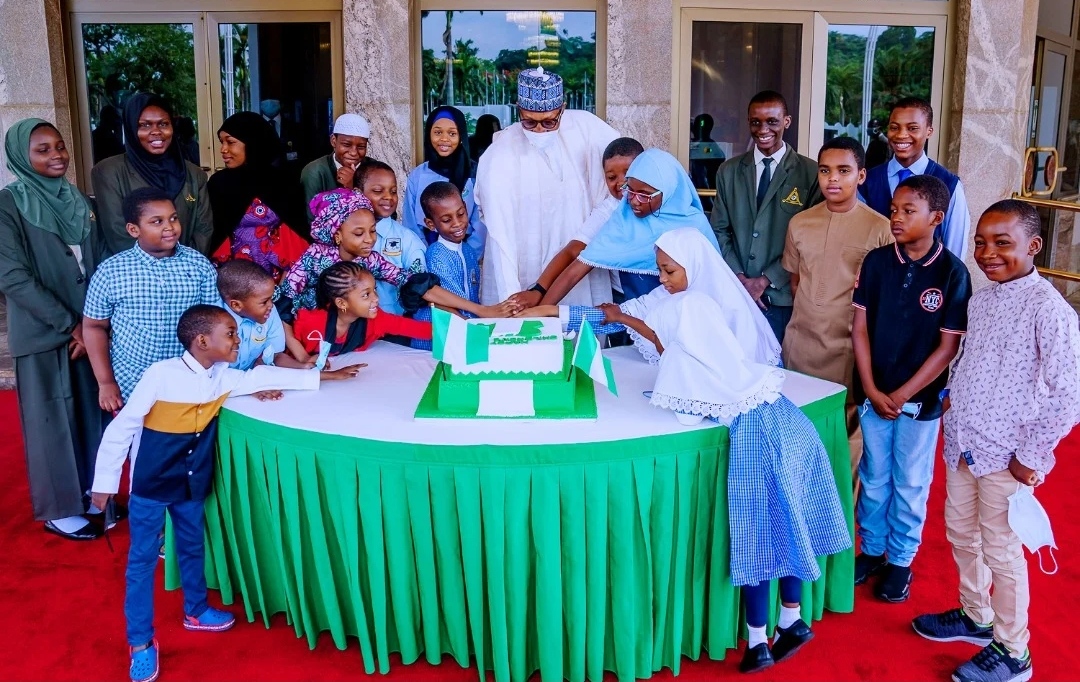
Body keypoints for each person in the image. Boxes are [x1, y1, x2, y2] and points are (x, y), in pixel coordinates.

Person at [89, 304, 360, 682]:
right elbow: (123, 428)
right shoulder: (160, 376)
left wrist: (326, 377)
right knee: (142, 563)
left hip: (192, 482)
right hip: (152, 485)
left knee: (192, 546)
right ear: (202, 341)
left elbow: (264, 376)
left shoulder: (222, 376)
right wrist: (104, 484)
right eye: (231, 334)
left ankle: (196, 610)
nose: (239, 340)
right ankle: (140, 643)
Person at [912, 200, 1080, 682]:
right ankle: (975, 617)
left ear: (1034, 246)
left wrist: (1030, 456)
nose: (988, 253)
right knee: (962, 535)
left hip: (1007, 457)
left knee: (1002, 553)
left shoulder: (1050, 309)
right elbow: (969, 361)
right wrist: (950, 401)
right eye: (981, 243)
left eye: (1003, 243)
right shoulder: (982, 299)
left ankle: (1013, 652)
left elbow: (1068, 395)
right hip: (964, 443)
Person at [643, 291, 851, 673]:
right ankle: (792, 617)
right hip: (791, 425)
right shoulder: (728, 348)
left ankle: (758, 643)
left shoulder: (680, 358)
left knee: (755, 533)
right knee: (790, 524)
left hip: (756, 441)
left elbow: (686, 416)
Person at [851, 175, 972, 603]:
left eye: (908, 211)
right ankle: (875, 550)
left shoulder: (953, 273)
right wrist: (869, 384)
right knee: (874, 474)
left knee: (911, 481)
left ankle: (901, 560)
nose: (896, 218)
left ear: (937, 218)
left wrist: (902, 395)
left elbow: (947, 348)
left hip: (918, 403)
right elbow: (860, 329)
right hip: (873, 393)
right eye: (894, 210)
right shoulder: (878, 262)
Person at [0, 118, 109, 541]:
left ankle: (85, 494)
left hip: (91, 326)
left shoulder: (79, 200)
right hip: (47, 332)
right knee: (50, 419)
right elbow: (12, 276)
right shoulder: (8, 204)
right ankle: (58, 510)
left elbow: (96, 261)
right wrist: (70, 325)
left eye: (60, 146)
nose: (57, 156)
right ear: (19, 157)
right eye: (42, 149)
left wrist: (96, 322)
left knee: (86, 413)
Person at [276, 189, 512, 360]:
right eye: (359, 233)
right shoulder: (313, 258)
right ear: (337, 234)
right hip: (305, 339)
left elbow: (417, 284)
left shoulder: (368, 259)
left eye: (372, 231)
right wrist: (299, 353)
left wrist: (481, 311)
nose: (369, 239)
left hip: (349, 341)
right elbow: (283, 307)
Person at [782, 136, 892, 476]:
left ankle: (841, 511)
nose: (833, 179)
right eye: (826, 170)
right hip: (801, 344)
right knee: (797, 427)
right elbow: (796, 281)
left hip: (848, 349)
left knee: (844, 437)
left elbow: (882, 299)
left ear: (861, 176)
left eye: (844, 171)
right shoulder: (800, 223)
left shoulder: (880, 228)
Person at [519, 227, 780, 368]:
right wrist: (552, 313)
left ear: (695, 265)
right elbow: (614, 318)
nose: (662, 279)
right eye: (659, 270)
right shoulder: (666, 294)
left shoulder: (729, 308)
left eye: (669, 271)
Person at [474, 66, 619, 306]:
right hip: (524, 262)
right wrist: (510, 297)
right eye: (530, 123)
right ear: (519, 110)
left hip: (578, 258)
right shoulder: (499, 153)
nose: (540, 130)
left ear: (562, 109)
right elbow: (498, 228)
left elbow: (628, 173)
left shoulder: (587, 129)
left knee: (578, 330)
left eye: (550, 122)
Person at [83, 187, 220, 410]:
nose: (169, 227)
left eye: (173, 218)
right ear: (133, 229)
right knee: (140, 442)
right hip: (133, 384)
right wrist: (106, 383)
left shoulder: (199, 265)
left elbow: (214, 323)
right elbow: (94, 327)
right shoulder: (111, 271)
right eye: (157, 221)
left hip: (190, 382)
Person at [710, 90, 823, 344]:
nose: (763, 129)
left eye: (772, 121)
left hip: (783, 297)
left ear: (787, 122)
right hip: (736, 294)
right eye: (755, 122)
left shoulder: (810, 172)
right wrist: (739, 278)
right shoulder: (728, 171)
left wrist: (766, 280)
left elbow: (809, 240)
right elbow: (719, 230)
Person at [543, 148, 721, 304]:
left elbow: (713, 280)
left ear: (667, 191)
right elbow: (578, 267)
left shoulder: (695, 224)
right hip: (632, 312)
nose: (634, 201)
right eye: (630, 191)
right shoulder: (623, 217)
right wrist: (542, 308)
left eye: (644, 195)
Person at [508, 136, 643, 311]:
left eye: (628, 173)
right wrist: (539, 293)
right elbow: (574, 252)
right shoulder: (609, 211)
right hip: (624, 298)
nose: (620, 182)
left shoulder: (665, 206)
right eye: (611, 177)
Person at [92, 93, 213, 256]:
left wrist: (183, 265)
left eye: (163, 124)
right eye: (145, 125)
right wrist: (155, 272)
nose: (156, 132)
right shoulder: (108, 172)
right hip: (135, 274)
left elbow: (203, 229)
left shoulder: (193, 173)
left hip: (186, 273)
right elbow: (117, 233)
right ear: (131, 128)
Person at [860, 97, 970, 259]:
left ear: (929, 131)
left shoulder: (949, 184)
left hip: (928, 281)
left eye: (912, 128)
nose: (901, 135)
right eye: (894, 127)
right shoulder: (867, 181)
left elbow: (954, 252)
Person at [208, 112, 307, 251]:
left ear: (253, 143)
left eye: (230, 142)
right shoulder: (219, 184)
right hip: (232, 269)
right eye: (222, 142)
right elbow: (215, 236)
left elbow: (297, 234)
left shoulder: (284, 183)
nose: (223, 149)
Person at [293, 261, 434, 357]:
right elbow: (283, 347)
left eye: (374, 290)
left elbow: (416, 329)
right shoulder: (309, 321)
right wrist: (302, 358)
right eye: (366, 295)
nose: (376, 298)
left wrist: (451, 331)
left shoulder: (377, 320)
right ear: (342, 303)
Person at [403, 106, 485, 252]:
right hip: (426, 251)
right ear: (429, 134)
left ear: (461, 137)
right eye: (438, 132)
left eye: (452, 133)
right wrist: (423, 257)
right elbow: (411, 225)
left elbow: (481, 226)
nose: (444, 139)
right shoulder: (418, 175)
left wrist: (468, 256)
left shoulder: (474, 174)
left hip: (465, 250)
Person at [357, 160, 427, 315]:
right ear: (357, 193)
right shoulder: (342, 235)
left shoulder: (407, 240)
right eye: (377, 191)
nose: (388, 197)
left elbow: (421, 289)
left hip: (394, 329)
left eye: (393, 191)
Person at [216, 259, 309, 370]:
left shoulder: (269, 312)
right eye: (264, 302)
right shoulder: (214, 322)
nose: (271, 305)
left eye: (271, 298)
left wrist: (304, 367)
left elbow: (276, 355)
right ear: (236, 305)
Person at [413, 181, 483, 321]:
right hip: (441, 333)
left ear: (466, 209)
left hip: (466, 325)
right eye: (446, 220)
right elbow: (451, 303)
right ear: (430, 224)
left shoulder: (468, 250)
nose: (457, 223)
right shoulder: (436, 255)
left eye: (461, 214)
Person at [300, 113, 375, 221]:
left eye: (361, 147)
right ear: (333, 141)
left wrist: (353, 188)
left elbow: (387, 215)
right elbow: (312, 221)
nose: (354, 152)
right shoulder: (315, 171)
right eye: (347, 145)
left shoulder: (375, 170)